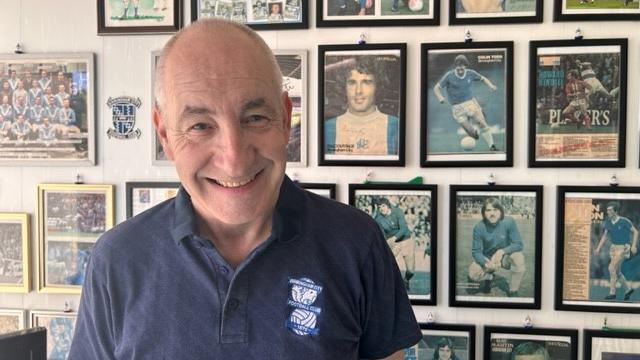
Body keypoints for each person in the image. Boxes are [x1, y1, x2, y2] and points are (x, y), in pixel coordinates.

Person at [69, 19, 420, 359]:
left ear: (285, 119)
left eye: (254, 118)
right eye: (201, 125)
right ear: (165, 136)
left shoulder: (357, 243)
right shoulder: (117, 260)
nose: (234, 158)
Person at [324, 57, 399, 157]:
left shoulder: (395, 126)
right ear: (344, 87)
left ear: (377, 86)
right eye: (352, 82)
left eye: (367, 82)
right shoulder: (328, 127)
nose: (358, 91)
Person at [434, 54, 499, 151]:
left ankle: (492, 146)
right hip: (457, 108)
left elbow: (483, 78)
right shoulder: (449, 75)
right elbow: (436, 87)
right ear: (455, 66)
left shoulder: (470, 73)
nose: (460, 67)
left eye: (462, 65)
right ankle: (474, 134)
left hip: (470, 104)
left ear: (465, 65)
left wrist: (491, 85)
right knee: (471, 133)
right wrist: (440, 97)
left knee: (482, 124)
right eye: (458, 65)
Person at [468, 198, 525, 297]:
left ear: (501, 211)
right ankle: (489, 278)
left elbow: (518, 244)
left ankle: (513, 290)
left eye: (495, 209)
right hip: (489, 258)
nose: (492, 213)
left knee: (519, 258)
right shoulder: (479, 227)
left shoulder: (509, 222)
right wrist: (486, 264)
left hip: (505, 257)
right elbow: (476, 251)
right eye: (488, 210)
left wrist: (502, 251)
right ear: (483, 213)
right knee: (473, 273)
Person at [595, 201, 638, 301]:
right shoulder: (608, 222)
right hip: (613, 248)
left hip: (623, 248)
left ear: (615, 211)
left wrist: (634, 246)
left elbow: (635, 232)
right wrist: (598, 248)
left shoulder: (624, 221)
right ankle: (628, 289)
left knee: (611, 267)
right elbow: (604, 236)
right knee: (617, 272)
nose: (607, 212)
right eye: (607, 210)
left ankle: (612, 292)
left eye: (610, 210)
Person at [373, 197, 415, 290]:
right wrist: (386, 242)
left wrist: (393, 238)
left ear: (388, 206)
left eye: (383, 206)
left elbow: (404, 229)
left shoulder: (397, 212)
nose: (381, 209)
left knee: (411, 271)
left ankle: (406, 280)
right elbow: (381, 234)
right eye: (379, 207)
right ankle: (388, 286)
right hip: (393, 243)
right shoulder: (378, 219)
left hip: (406, 240)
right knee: (387, 266)